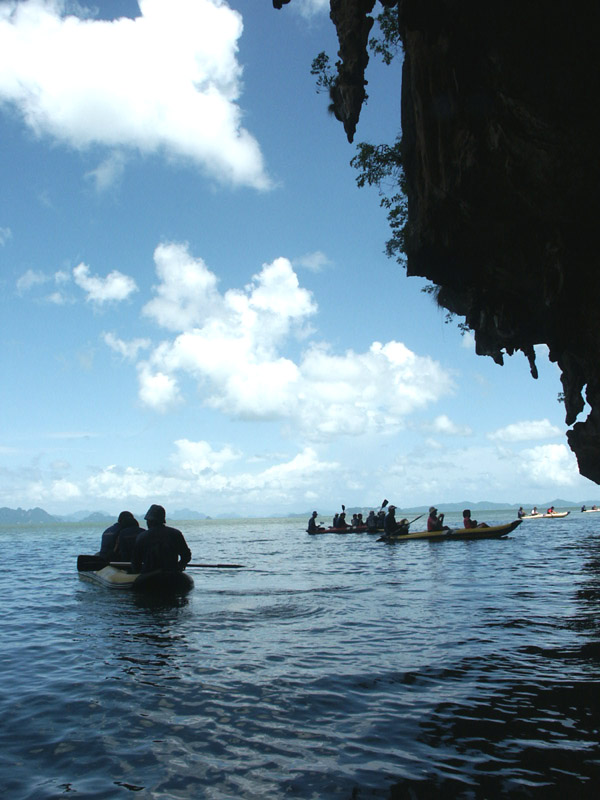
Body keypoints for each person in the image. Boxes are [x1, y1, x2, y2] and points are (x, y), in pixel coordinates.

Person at [132, 504, 191, 574]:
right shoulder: (175, 534)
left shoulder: (141, 537)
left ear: (149, 521)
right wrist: (179, 567)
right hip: (171, 576)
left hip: (148, 578)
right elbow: (186, 556)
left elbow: (135, 562)